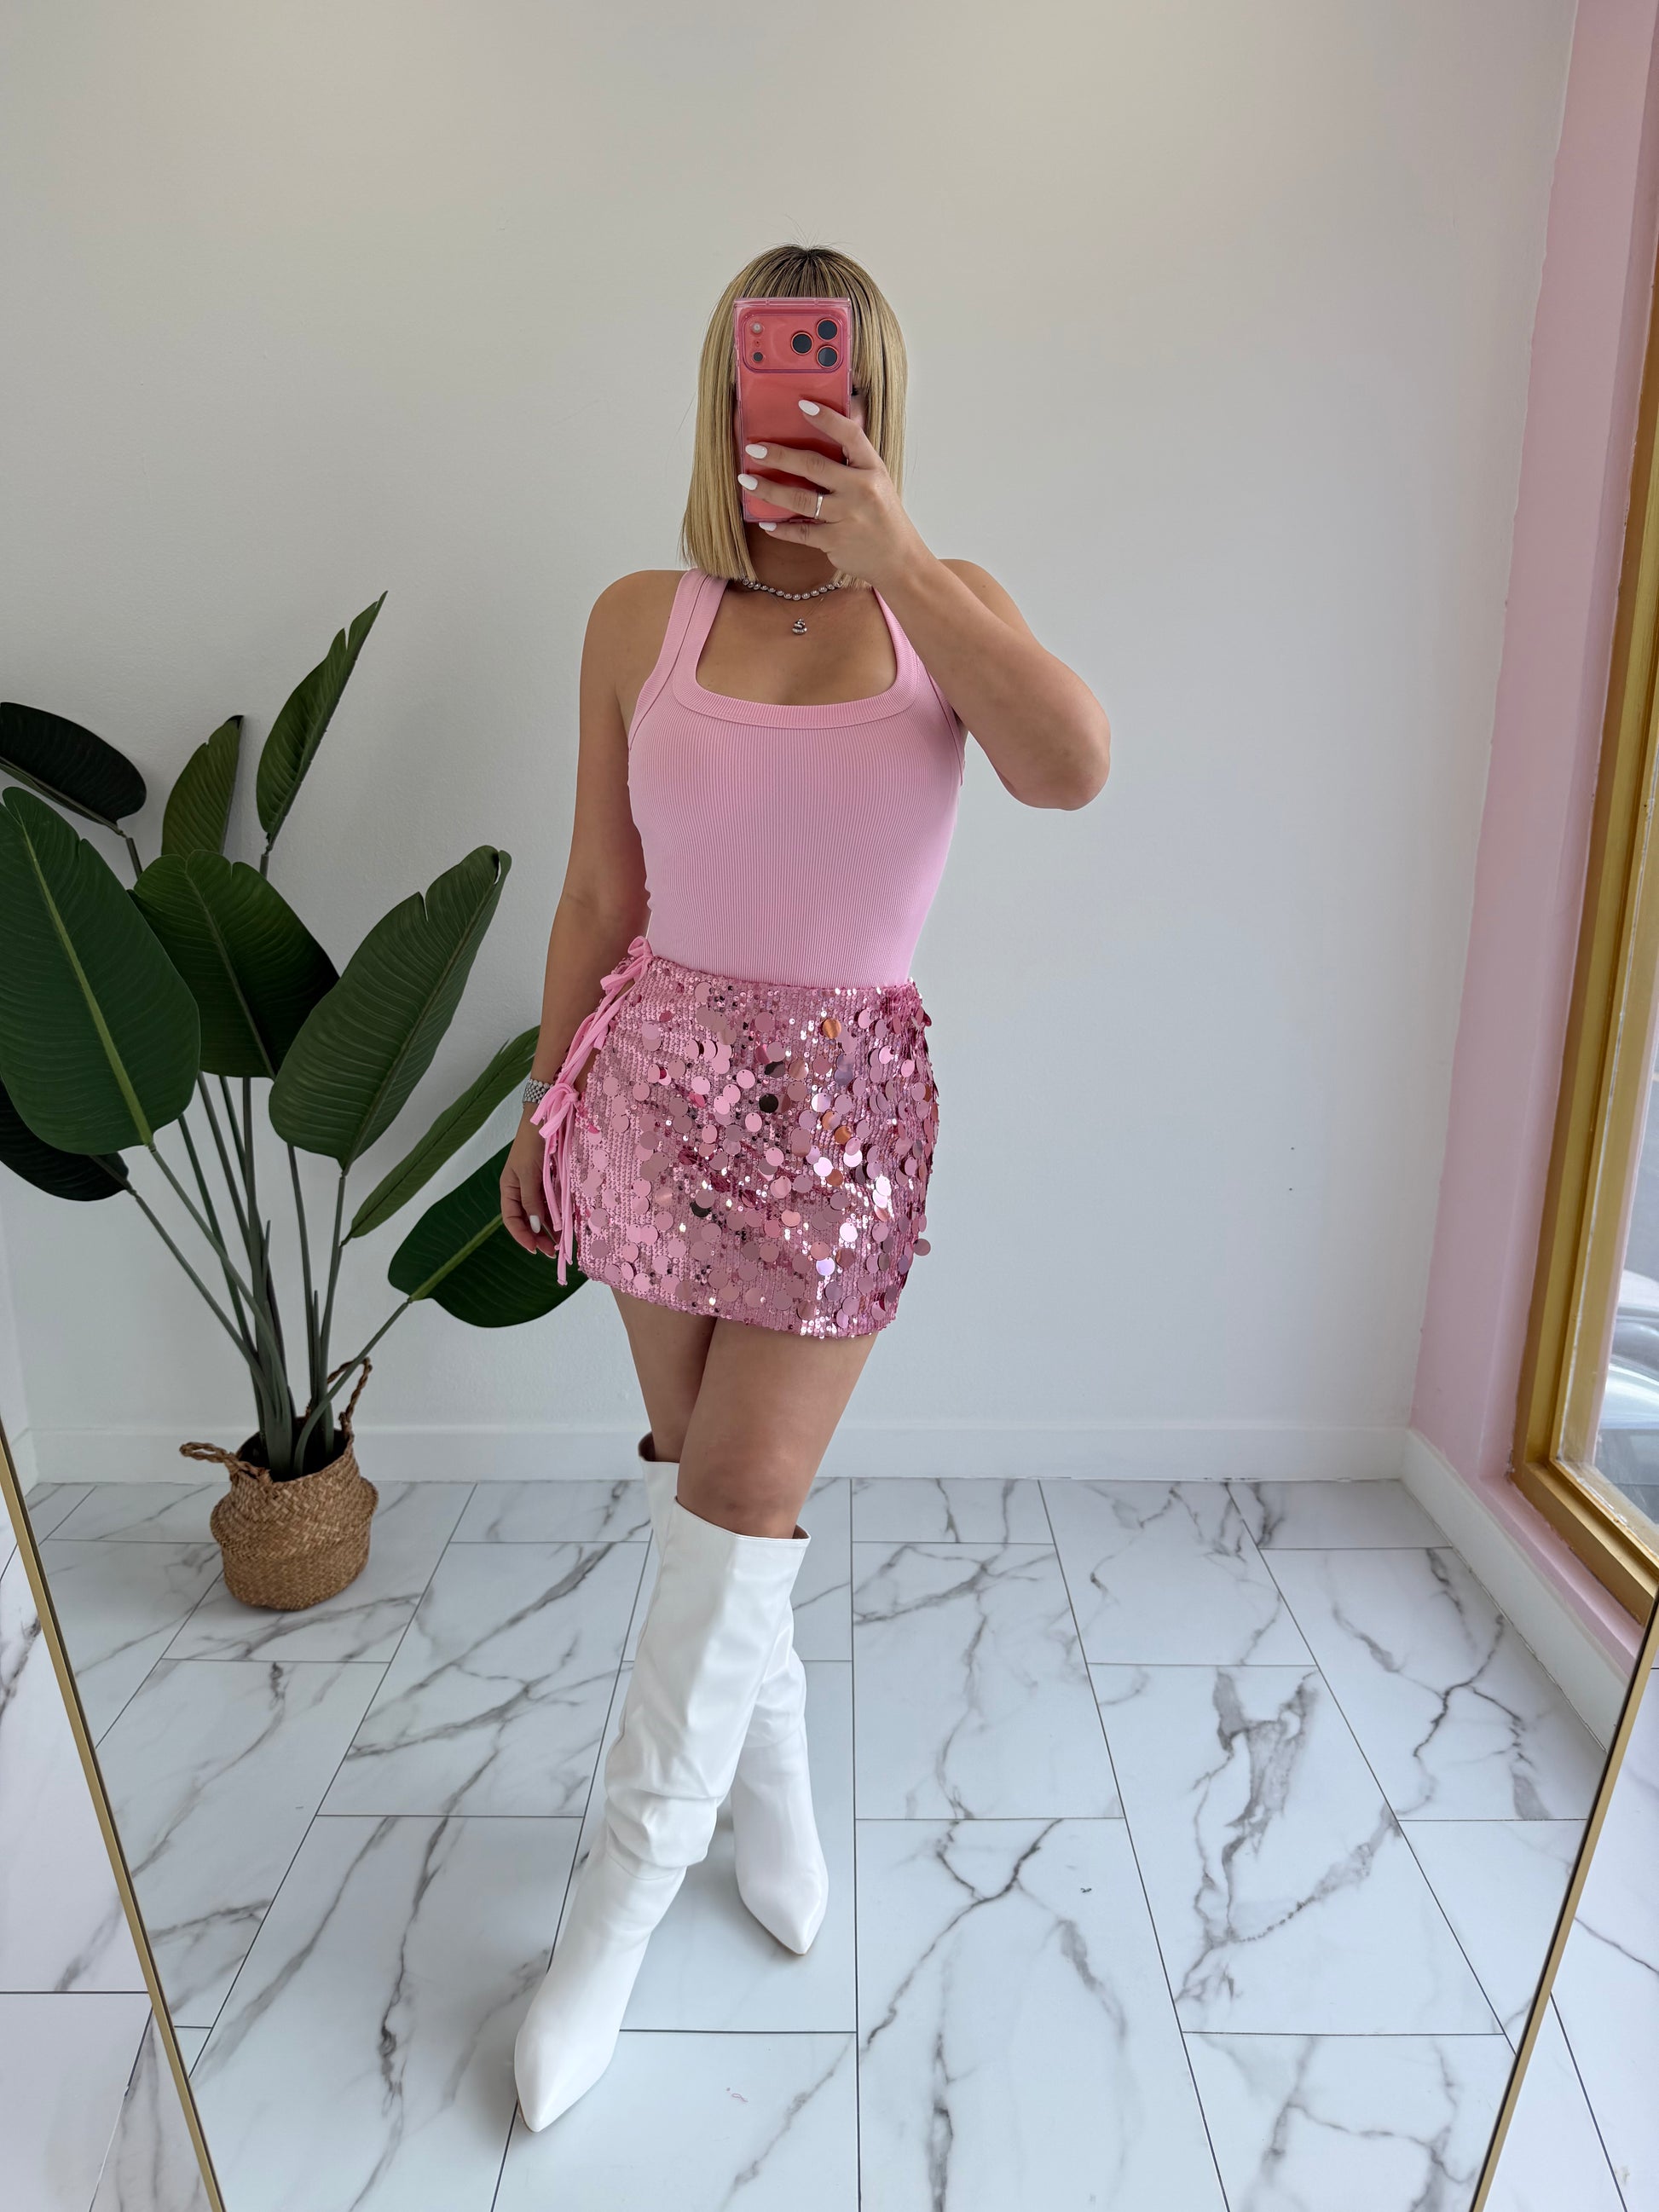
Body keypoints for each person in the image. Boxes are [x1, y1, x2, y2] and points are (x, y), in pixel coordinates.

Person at [500, 241, 1110, 2129]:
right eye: (765, 373)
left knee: (742, 1491)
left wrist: (899, 554)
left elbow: (1071, 770)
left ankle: (609, 1917)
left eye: (823, 372)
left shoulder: (946, 608)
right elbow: (597, 890)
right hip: (650, 1088)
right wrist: (542, 1107)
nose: (792, 401)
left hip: (842, 1120)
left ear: (866, 391)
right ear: (726, 393)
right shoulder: (638, 617)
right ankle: (770, 1806)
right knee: (709, 1488)